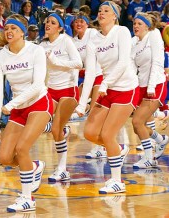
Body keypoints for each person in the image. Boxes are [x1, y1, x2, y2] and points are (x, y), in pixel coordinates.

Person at [0, 14, 50, 212]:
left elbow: (38, 84)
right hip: (18, 109)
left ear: (23, 32)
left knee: (22, 148)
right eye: (6, 28)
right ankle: (33, 167)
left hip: (39, 103)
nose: (8, 31)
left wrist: (12, 103)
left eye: (13, 28)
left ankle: (27, 198)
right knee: (5, 157)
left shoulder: (36, 50)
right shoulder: (0, 56)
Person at [83, 1, 138, 194]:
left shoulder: (122, 31)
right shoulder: (93, 40)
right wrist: (82, 104)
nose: (102, 13)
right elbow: (90, 73)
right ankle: (118, 148)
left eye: (107, 10)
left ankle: (117, 181)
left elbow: (123, 63)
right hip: (108, 90)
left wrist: (105, 84)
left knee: (107, 134)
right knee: (89, 132)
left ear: (115, 15)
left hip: (126, 87)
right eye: (100, 10)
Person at [39, 13, 82, 182]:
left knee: (55, 129)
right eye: (47, 22)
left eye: (53, 22)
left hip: (68, 90)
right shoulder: (41, 45)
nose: (48, 24)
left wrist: (56, 61)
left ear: (60, 27)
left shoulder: (66, 40)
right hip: (50, 90)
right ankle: (62, 130)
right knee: (39, 123)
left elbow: (78, 63)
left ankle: (62, 169)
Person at [132, 12, 168, 167]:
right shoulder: (133, 42)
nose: (135, 26)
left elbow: (157, 62)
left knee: (137, 121)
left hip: (156, 84)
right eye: (134, 23)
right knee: (137, 127)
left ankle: (149, 158)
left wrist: (152, 86)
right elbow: (131, 67)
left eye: (139, 23)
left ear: (147, 25)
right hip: (140, 85)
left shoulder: (153, 36)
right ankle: (161, 140)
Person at [72, 12, 107, 159]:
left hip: (100, 74)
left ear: (87, 24)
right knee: (80, 106)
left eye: (82, 21)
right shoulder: (73, 42)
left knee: (94, 111)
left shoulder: (93, 34)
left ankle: (101, 147)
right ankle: (101, 145)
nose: (79, 24)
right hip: (86, 77)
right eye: (76, 22)